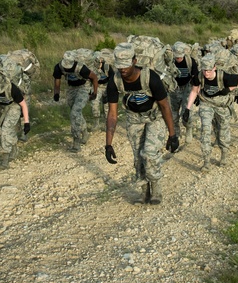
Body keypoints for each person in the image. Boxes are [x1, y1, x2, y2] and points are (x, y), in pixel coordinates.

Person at [103, 43, 176, 205]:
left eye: (126, 66)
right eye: (120, 66)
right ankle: (144, 191)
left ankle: (156, 188)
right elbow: (113, 114)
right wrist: (108, 144)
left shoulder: (151, 78)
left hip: (154, 117)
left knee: (149, 153)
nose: (123, 70)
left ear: (134, 61)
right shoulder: (114, 81)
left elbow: (165, 106)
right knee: (138, 157)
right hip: (133, 118)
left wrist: (172, 134)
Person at [185, 53, 238, 170]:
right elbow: (194, 91)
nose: (206, 73)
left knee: (223, 131)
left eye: (209, 70)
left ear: (214, 67)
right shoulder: (199, 76)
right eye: (204, 70)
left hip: (222, 106)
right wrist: (188, 108)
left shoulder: (223, 76)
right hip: (207, 103)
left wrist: (228, 89)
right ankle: (206, 162)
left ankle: (224, 154)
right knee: (205, 130)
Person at [52, 50, 99, 152]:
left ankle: (76, 142)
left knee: (75, 113)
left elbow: (94, 77)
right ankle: (85, 131)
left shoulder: (81, 68)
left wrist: (94, 92)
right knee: (75, 112)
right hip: (71, 88)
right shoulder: (59, 67)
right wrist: (56, 93)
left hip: (83, 87)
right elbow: (57, 80)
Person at [0, 78, 30, 170]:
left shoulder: (12, 88)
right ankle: (13, 145)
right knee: (6, 131)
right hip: (0, 108)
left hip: (14, 107)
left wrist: (26, 122)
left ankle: (5, 160)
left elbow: (24, 105)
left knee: (5, 131)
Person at [170, 42, 197, 144]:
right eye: (177, 57)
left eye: (180, 57)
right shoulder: (170, 62)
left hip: (187, 88)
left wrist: (196, 93)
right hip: (174, 88)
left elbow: (196, 78)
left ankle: (188, 128)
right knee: (173, 115)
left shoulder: (190, 61)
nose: (179, 59)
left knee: (186, 113)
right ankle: (176, 134)